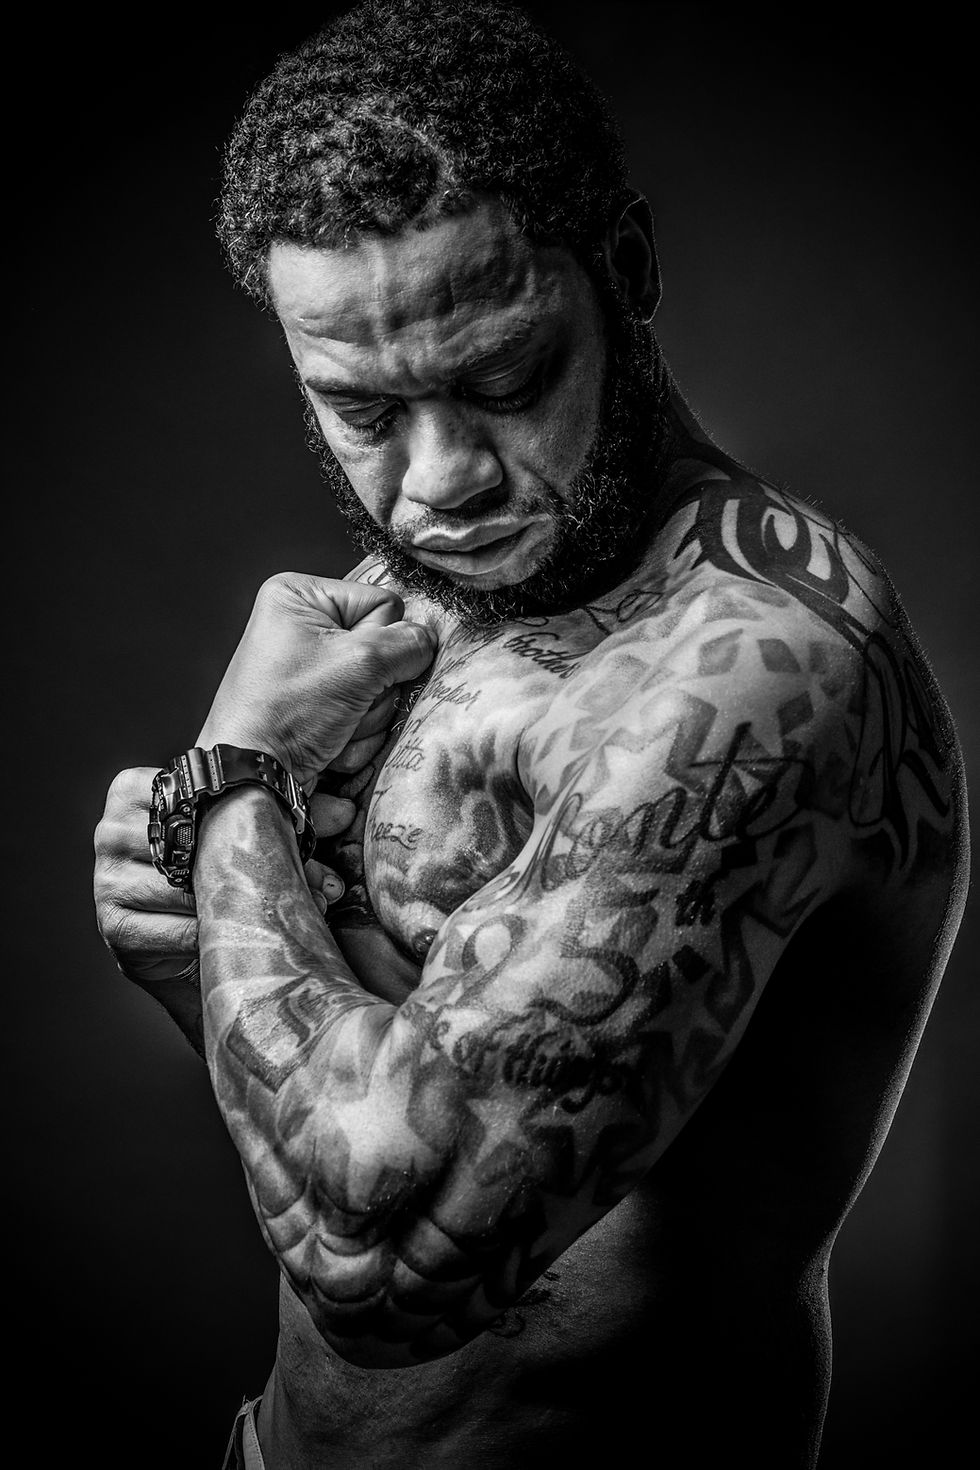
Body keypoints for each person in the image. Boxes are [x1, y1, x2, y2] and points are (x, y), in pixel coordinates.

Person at [92, 2, 969, 1465]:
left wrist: (235, 787)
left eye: (503, 382)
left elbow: (387, 1255)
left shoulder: (751, 673)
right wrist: (205, 954)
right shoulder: (417, 593)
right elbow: (355, 1083)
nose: (438, 483)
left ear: (622, 272)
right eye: (362, 412)